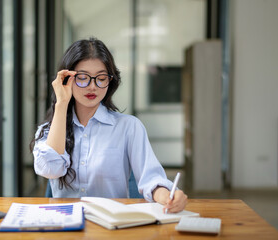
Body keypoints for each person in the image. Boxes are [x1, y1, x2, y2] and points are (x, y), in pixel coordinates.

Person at [31, 37, 187, 213]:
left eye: (101, 78)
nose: (92, 87)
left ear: (110, 81)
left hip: (111, 224)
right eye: (82, 78)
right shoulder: (49, 130)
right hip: (64, 223)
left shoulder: (129, 127)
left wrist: (167, 196)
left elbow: (151, 179)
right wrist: (61, 103)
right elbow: (51, 170)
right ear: (67, 79)